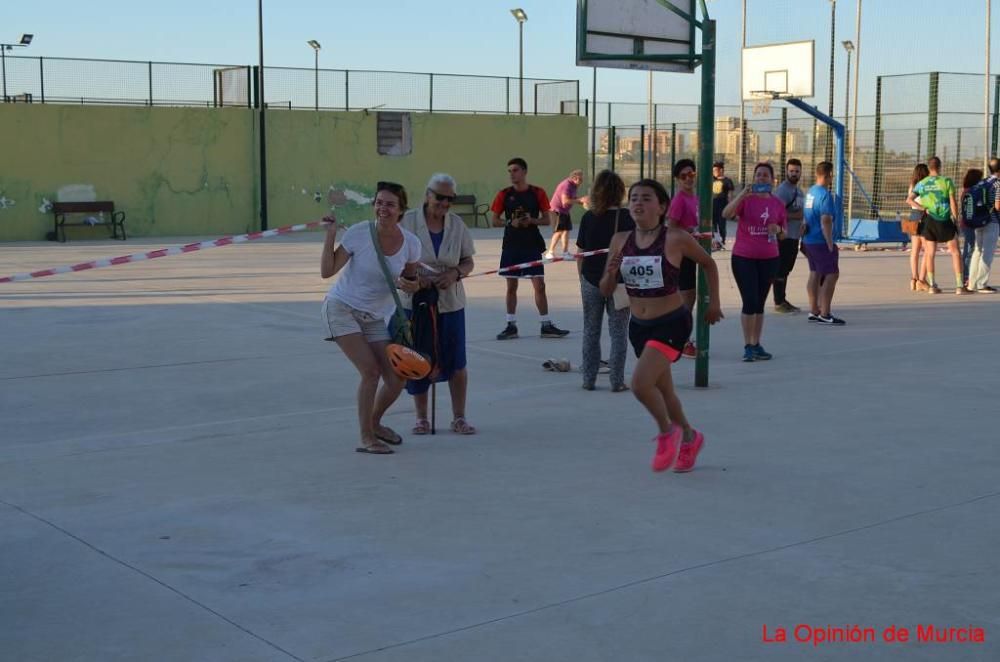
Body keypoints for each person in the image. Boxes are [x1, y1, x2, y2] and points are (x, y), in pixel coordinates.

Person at [600, 179, 723, 473]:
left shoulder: (675, 238)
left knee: (641, 384)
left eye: (645, 198)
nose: (638, 204)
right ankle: (691, 437)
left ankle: (668, 433)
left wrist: (713, 303)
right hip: (639, 325)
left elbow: (709, 263)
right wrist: (612, 271)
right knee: (665, 393)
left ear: (662, 206)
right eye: (633, 199)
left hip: (671, 322)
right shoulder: (620, 240)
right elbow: (605, 288)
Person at [321, 181, 422, 455]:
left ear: (401, 210)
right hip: (342, 307)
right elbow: (327, 271)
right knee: (370, 371)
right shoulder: (358, 234)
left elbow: (411, 280)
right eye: (379, 202)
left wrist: (413, 286)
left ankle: (375, 423)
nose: (383, 208)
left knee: (396, 378)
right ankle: (366, 437)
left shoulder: (411, 244)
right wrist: (330, 234)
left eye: (390, 204)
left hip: (375, 316)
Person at [399, 173, 477, 435]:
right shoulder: (407, 221)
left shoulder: (456, 225)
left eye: (449, 199)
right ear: (427, 194)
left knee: (456, 360)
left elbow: (468, 261)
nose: (444, 203)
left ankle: (459, 417)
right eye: (439, 197)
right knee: (418, 359)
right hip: (416, 302)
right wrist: (413, 279)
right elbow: (394, 260)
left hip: (450, 302)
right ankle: (421, 418)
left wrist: (455, 273)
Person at [491, 158, 570, 339]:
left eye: (516, 170)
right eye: (509, 171)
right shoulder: (504, 194)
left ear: (524, 172)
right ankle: (511, 326)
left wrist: (531, 220)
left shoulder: (537, 193)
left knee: (539, 285)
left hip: (531, 244)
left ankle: (546, 325)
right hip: (511, 244)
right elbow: (495, 221)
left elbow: (547, 219)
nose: (512, 174)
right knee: (511, 286)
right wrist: (512, 222)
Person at [722, 162, 788, 362]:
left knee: (759, 303)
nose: (761, 178)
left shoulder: (777, 204)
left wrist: (778, 230)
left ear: (772, 179)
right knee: (749, 301)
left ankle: (756, 343)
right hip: (744, 257)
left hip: (769, 258)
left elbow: (784, 234)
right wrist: (743, 194)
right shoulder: (746, 200)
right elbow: (726, 214)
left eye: (765, 175)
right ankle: (748, 345)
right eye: (758, 175)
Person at [576, 169, 633, 392]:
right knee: (618, 331)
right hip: (619, 281)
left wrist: (582, 277)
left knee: (591, 330)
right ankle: (616, 381)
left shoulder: (589, 217)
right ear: (620, 191)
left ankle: (588, 379)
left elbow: (581, 251)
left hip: (591, 279)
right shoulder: (627, 217)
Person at [907, 156, 968, 294]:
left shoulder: (922, 183)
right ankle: (959, 285)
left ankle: (932, 285)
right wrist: (956, 218)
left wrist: (923, 208)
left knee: (930, 253)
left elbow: (909, 200)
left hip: (929, 221)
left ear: (929, 168)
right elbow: (953, 201)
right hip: (945, 220)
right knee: (955, 252)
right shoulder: (946, 181)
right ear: (940, 167)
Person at [801, 161, 845, 325]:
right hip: (820, 241)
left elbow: (806, 215)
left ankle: (813, 310)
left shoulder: (811, 192)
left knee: (815, 273)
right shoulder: (825, 195)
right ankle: (825, 313)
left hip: (809, 240)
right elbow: (826, 219)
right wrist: (829, 242)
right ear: (829, 175)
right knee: (832, 274)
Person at [666, 159, 698, 358]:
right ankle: (681, 341)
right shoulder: (678, 200)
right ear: (677, 179)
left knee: (691, 299)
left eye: (691, 175)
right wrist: (689, 232)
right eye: (683, 176)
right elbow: (671, 227)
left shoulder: (695, 197)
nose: (688, 179)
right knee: (686, 300)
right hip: (683, 255)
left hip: (693, 252)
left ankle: (683, 338)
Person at [772, 158, 806, 313]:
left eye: (797, 171)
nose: (794, 174)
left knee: (786, 269)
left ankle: (783, 299)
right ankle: (778, 302)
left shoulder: (799, 191)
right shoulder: (783, 190)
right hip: (784, 237)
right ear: (786, 171)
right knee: (781, 269)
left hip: (794, 236)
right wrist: (796, 216)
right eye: (791, 171)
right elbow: (775, 213)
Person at [966, 157, 1000, 293]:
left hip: (978, 221)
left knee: (977, 251)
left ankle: (972, 283)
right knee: (988, 253)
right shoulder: (998, 184)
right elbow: (998, 205)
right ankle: (982, 284)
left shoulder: (982, 182)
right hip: (992, 221)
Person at [545, 169, 588, 259]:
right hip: (557, 210)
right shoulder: (566, 185)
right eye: (580, 179)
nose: (581, 181)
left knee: (566, 231)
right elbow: (565, 201)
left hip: (564, 211)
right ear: (574, 178)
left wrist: (583, 201)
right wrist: (579, 200)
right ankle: (550, 252)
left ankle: (565, 253)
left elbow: (572, 197)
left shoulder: (573, 185)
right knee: (559, 231)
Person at [906, 163, 931, 292]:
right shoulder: (924, 186)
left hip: (912, 216)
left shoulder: (912, 185)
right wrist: (923, 208)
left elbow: (909, 201)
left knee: (914, 250)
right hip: (922, 216)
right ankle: (922, 279)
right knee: (928, 249)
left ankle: (914, 279)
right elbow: (909, 200)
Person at [711, 161, 734, 249]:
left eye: (715, 170)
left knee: (721, 226)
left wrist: (730, 206)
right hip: (712, 207)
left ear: (721, 170)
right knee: (712, 225)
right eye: (713, 171)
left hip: (722, 207)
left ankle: (722, 240)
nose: (714, 172)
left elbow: (730, 195)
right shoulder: (712, 179)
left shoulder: (727, 181)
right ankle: (714, 242)